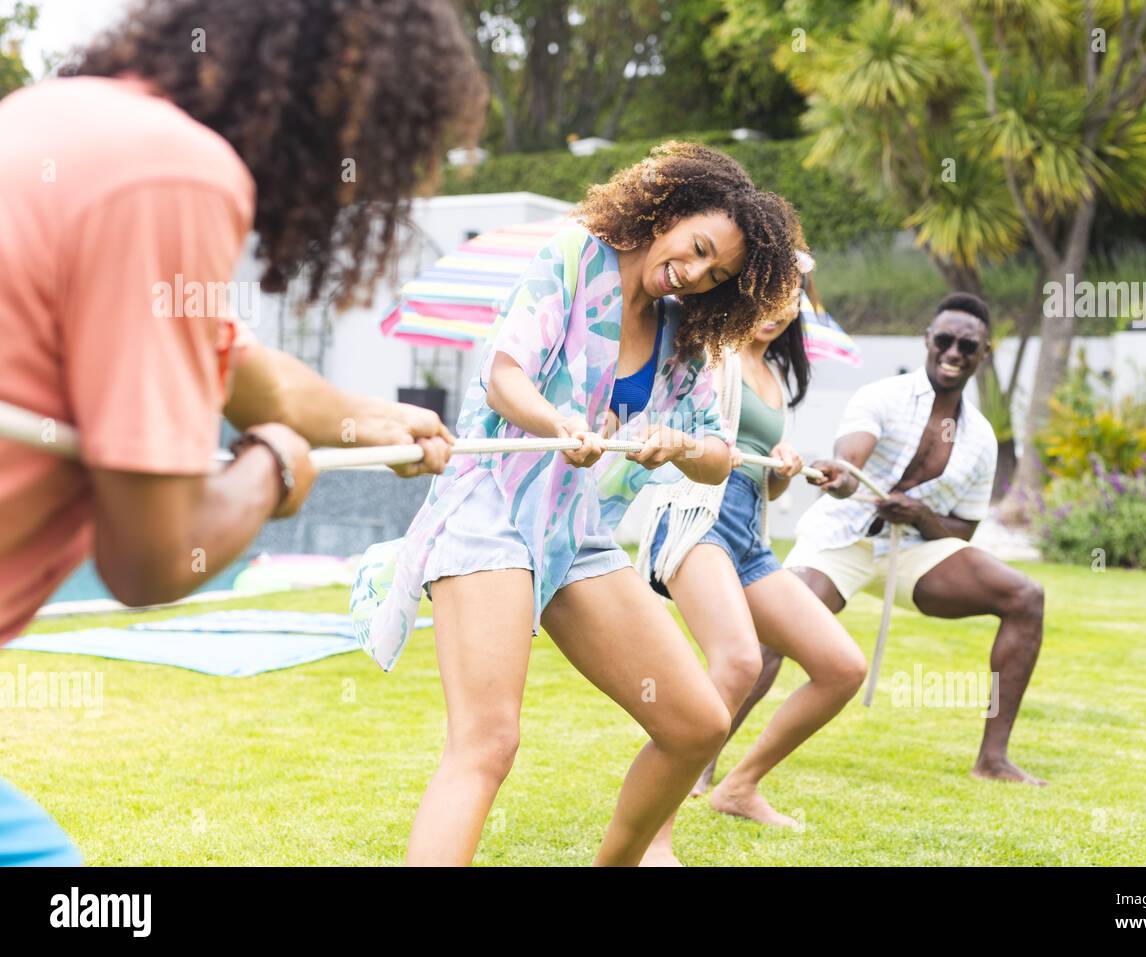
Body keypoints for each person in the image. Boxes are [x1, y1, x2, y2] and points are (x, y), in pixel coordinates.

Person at [0, 0, 486, 864]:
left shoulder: (60, 119)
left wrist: (372, 420)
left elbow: (244, 370)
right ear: (341, 90)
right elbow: (151, 555)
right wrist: (271, 469)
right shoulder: (174, 174)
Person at [351, 142, 809, 866]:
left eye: (714, 274)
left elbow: (717, 453)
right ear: (668, 209)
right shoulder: (573, 255)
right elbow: (505, 376)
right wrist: (558, 423)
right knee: (488, 741)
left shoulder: (681, 330)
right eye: (696, 249)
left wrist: (678, 445)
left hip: (573, 528)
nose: (692, 274)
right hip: (490, 509)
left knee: (696, 722)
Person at [726, 293, 1048, 786]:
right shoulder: (882, 397)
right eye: (944, 340)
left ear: (985, 353)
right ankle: (703, 763)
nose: (954, 352)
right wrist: (843, 478)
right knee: (778, 629)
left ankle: (992, 760)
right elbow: (850, 464)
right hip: (844, 534)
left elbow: (963, 530)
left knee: (1026, 597)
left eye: (968, 345)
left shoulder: (981, 438)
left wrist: (920, 514)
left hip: (915, 549)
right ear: (927, 341)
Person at [635, 267, 867, 865]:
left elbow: (762, 494)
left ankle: (738, 786)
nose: (778, 307)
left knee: (841, 666)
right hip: (694, 517)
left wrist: (782, 474)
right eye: (766, 292)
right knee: (737, 661)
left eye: (790, 296)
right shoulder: (713, 353)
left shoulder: (773, 377)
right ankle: (653, 839)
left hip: (747, 535)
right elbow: (682, 428)